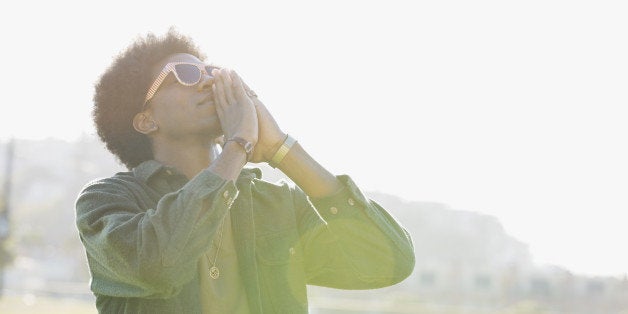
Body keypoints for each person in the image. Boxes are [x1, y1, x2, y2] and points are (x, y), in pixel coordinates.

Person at [75, 29, 415, 313]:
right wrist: (239, 144)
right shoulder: (106, 202)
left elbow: (388, 262)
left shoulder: (278, 206)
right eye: (187, 74)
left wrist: (280, 148)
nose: (208, 82)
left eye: (212, 72)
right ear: (147, 119)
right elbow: (158, 264)